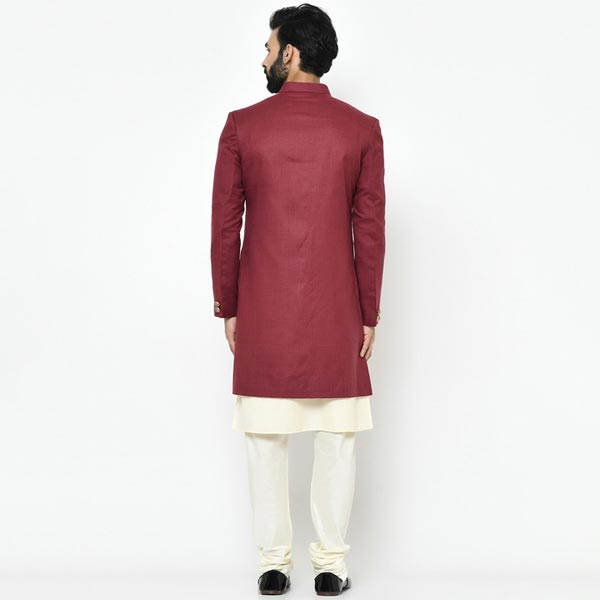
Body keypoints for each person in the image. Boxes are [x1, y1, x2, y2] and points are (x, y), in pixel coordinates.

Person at [210, 3, 386, 595]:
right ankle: (330, 566)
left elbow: (224, 225)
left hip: (264, 308)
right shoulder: (361, 129)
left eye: (269, 48)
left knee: (265, 439)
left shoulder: (242, 126)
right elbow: (370, 230)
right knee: (337, 439)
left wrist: (228, 305)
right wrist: (369, 311)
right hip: (337, 310)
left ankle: (273, 564)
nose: (263, 57)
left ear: (290, 53)